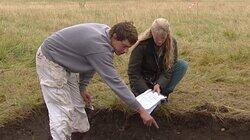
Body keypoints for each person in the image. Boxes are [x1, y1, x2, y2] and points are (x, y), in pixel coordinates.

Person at [36, 21, 158, 140]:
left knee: (78, 109)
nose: (125, 51)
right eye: (124, 46)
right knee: (61, 111)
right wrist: (141, 110)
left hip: (65, 61)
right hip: (50, 60)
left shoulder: (106, 34)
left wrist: (82, 87)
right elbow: (115, 83)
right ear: (115, 37)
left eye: (128, 48)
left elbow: (90, 60)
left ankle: (76, 135)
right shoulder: (100, 48)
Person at [128, 18, 188, 98]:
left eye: (163, 38)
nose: (160, 41)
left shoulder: (172, 43)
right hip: (143, 81)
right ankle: (151, 96)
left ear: (168, 34)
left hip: (159, 79)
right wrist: (147, 92)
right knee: (150, 108)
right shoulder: (141, 45)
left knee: (182, 65)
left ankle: (164, 94)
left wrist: (160, 84)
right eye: (157, 37)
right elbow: (133, 72)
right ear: (152, 33)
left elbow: (169, 69)